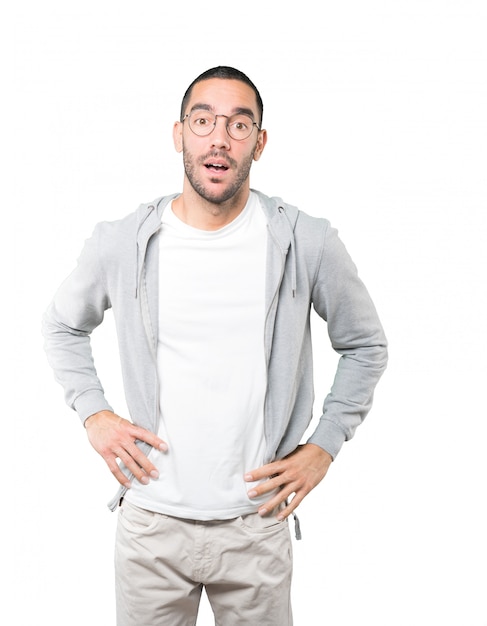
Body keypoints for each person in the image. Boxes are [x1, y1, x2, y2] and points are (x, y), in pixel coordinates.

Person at [42, 66, 388, 625]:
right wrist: (94, 413)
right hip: (151, 524)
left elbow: (365, 345)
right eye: (202, 121)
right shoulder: (122, 243)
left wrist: (324, 446)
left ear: (260, 142)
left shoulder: (306, 241)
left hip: (257, 525)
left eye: (238, 124)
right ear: (179, 135)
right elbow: (61, 325)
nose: (219, 138)